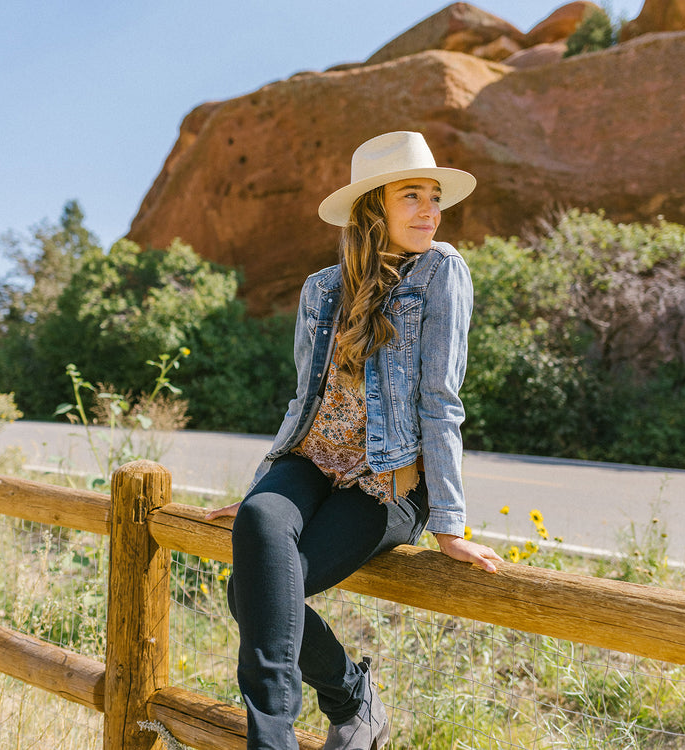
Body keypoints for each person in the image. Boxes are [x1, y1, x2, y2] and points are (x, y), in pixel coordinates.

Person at [206, 131, 503, 750]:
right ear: (374, 208)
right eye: (412, 196)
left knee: (249, 591)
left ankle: (322, 715)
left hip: (387, 479)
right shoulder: (320, 289)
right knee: (260, 518)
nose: (430, 210)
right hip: (313, 459)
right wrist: (264, 481)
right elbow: (303, 400)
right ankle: (315, 721)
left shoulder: (441, 271)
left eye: (434, 197)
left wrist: (449, 524)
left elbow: (440, 402)